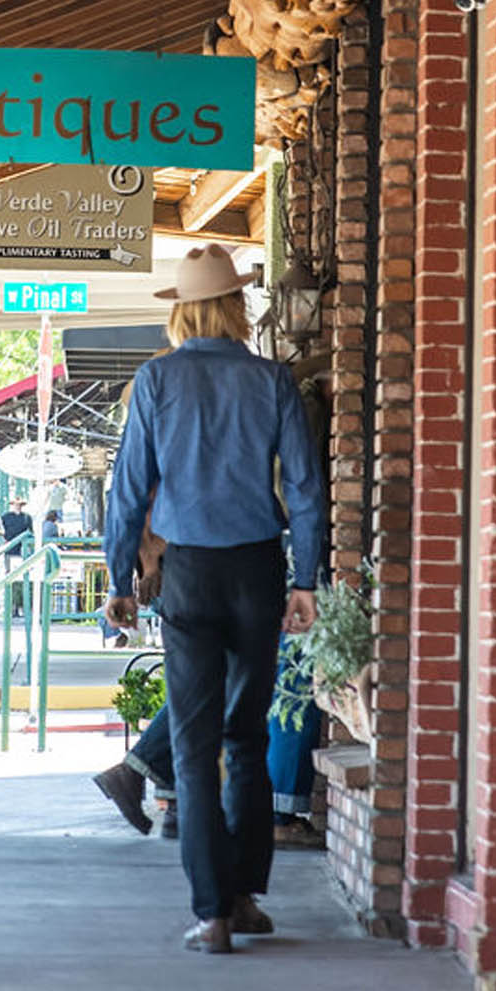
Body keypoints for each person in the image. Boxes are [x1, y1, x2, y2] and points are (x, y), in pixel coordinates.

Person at [104, 243, 326, 954]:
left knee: (195, 747)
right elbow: (304, 488)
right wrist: (305, 580)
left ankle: (212, 914)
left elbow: (128, 488)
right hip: (258, 569)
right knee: (247, 736)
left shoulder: (156, 380)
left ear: (182, 311)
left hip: (189, 573)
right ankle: (243, 894)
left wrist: (118, 580)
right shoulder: (272, 380)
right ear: (236, 305)